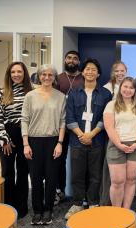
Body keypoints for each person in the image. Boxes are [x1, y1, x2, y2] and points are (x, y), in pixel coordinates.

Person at [64, 58, 112, 219]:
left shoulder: (106, 94)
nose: (90, 72)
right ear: (82, 72)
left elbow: (106, 118)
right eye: (87, 69)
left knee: (95, 174)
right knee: (77, 174)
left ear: (98, 74)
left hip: (96, 141)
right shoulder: (73, 93)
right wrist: (81, 135)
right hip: (77, 141)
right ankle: (77, 204)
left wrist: (91, 135)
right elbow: (69, 118)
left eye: (93, 69)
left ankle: (93, 203)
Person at [21, 64, 66, 225]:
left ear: (54, 77)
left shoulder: (60, 97)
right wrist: (26, 144)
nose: (47, 77)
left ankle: (48, 210)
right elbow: (24, 120)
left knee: (52, 178)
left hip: (53, 141)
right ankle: (37, 210)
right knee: (36, 177)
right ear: (39, 76)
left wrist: (60, 143)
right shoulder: (30, 96)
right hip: (33, 140)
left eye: (50, 75)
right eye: (44, 74)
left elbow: (62, 122)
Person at [0, 62, 33, 218]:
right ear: (9, 75)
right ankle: (9, 205)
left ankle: (22, 206)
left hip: (25, 135)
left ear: (25, 74)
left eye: (19, 71)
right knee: (8, 172)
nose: (16, 74)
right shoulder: (2, 93)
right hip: (7, 135)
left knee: (23, 172)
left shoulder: (31, 92)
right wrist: (4, 139)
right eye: (13, 72)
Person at [104, 77, 136, 209]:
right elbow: (109, 127)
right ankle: (117, 213)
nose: (128, 90)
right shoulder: (111, 105)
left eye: (131, 88)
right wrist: (119, 144)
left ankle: (126, 211)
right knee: (117, 182)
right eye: (125, 87)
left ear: (135, 90)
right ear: (120, 88)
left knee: (131, 181)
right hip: (116, 146)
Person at [55, 50, 84, 205]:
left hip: (79, 126)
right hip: (60, 126)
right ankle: (60, 190)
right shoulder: (58, 78)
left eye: (75, 58)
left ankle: (81, 194)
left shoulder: (84, 78)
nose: (71, 60)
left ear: (79, 62)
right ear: (65, 60)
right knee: (59, 160)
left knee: (79, 160)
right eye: (69, 58)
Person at [100, 61, 128, 206]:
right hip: (110, 133)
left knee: (124, 174)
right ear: (113, 72)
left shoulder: (130, 87)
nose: (120, 73)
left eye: (122, 71)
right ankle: (107, 202)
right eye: (117, 71)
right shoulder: (107, 88)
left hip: (127, 133)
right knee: (109, 169)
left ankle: (121, 201)